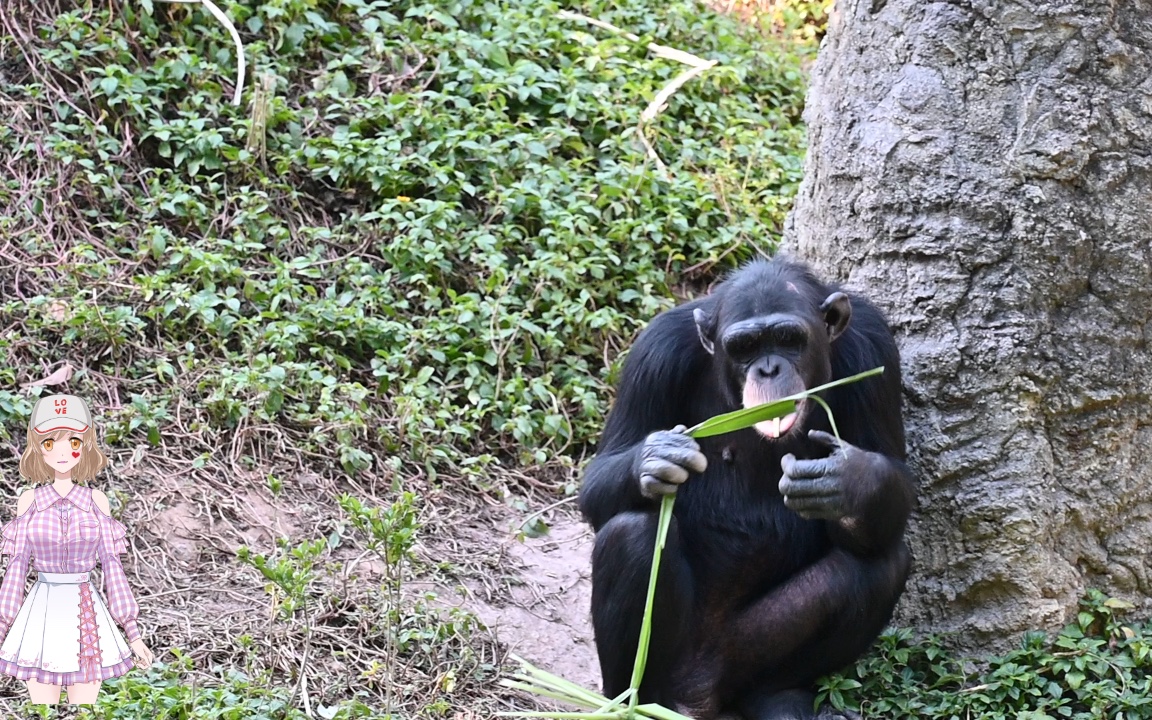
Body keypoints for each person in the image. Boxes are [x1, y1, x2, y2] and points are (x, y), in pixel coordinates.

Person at [0, 394, 154, 704]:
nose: (61, 452)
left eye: (72, 441)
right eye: (49, 443)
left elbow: (113, 570)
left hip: (86, 610)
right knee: (43, 706)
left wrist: (133, 633)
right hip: (41, 612)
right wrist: (2, 626)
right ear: (37, 447)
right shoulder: (30, 503)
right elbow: (15, 573)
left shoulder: (96, 502)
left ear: (84, 446)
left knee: (85, 706)